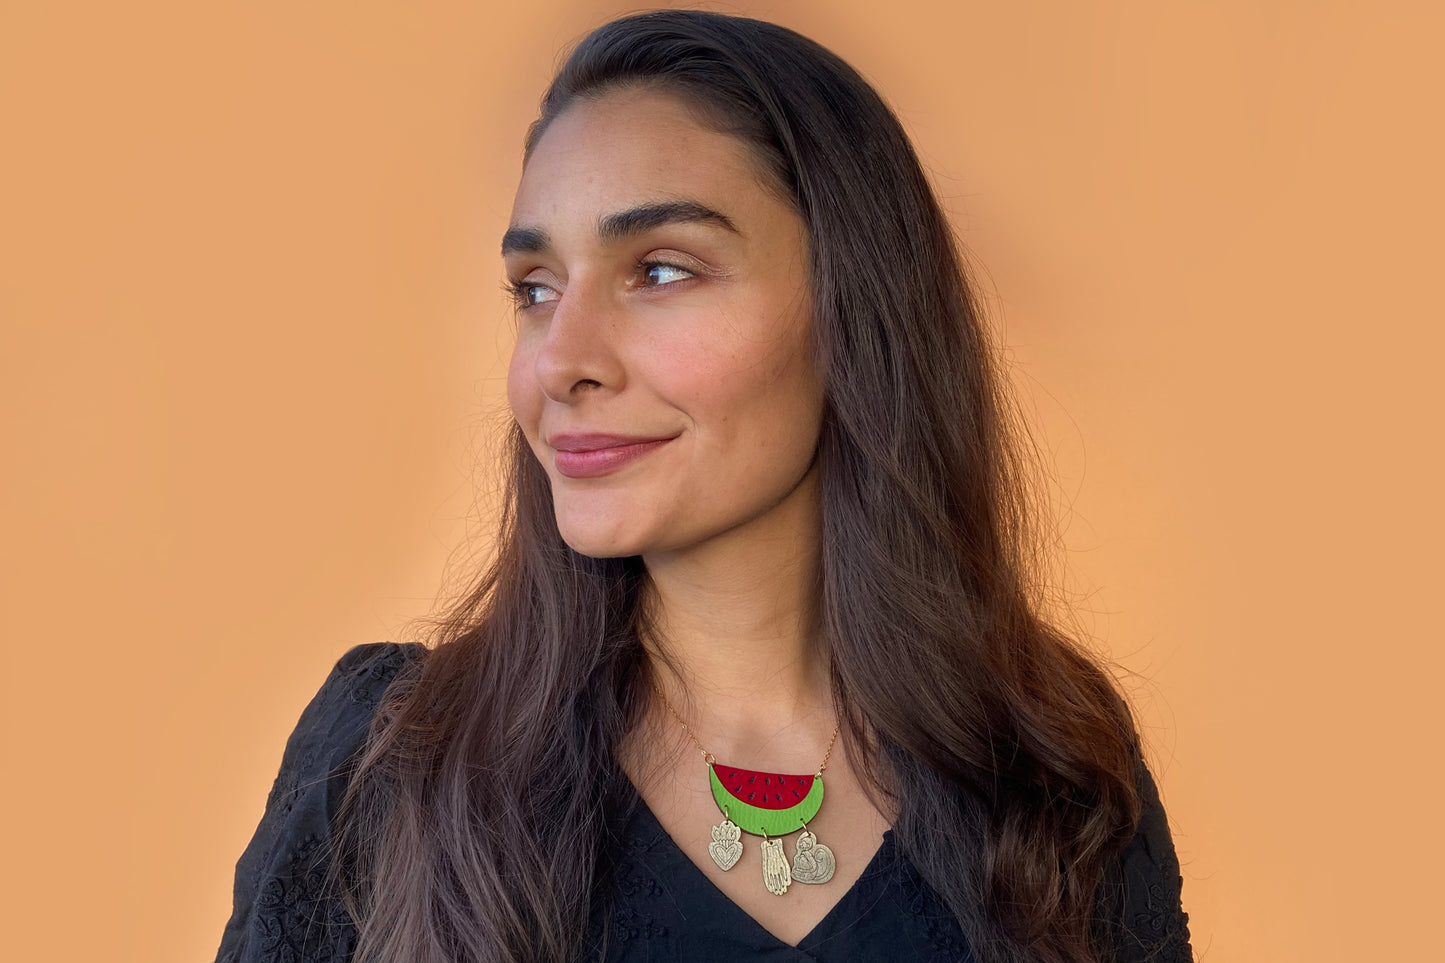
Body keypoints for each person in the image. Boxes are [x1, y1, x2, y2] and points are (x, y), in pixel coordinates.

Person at [215, 9, 1191, 963]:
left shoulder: (1053, 768)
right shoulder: (388, 760)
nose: (561, 362)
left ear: (855, 310)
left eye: (662, 270)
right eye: (535, 289)